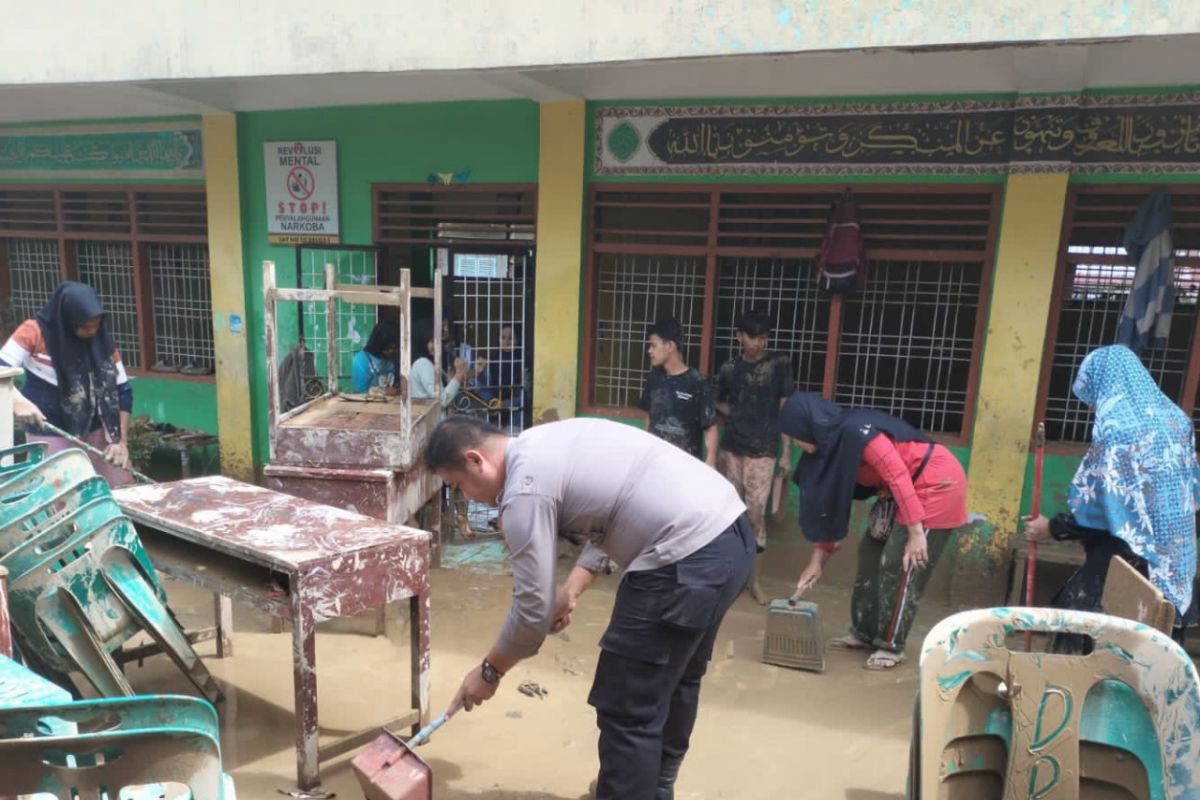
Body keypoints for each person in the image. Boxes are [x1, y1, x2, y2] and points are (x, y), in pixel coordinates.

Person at [424, 415, 754, 800]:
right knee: (675, 679)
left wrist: (489, 671)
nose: (468, 496)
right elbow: (617, 507)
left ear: (476, 459)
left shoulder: (522, 491)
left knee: (627, 706)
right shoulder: (547, 441)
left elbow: (531, 613)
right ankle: (653, 788)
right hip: (730, 539)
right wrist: (572, 590)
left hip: (683, 560)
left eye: (459, 485)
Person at [1023, 344, 1199, 649]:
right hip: (1176, 562)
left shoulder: (1116, 430)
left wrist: (1050, 528)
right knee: (1159, 652)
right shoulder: (1177, 422)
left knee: (1086, 634)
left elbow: (1099, 511)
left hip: (1129, 562)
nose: (1092, 406)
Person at [784, 393, 967, 670]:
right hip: (895, 494)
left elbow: (897, 474)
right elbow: (830, 506)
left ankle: (892, 646)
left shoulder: (857, 432)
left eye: (795, 436)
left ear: (808, 426)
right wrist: (816, 562)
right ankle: (864, 632)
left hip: (935, 485)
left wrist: (916, 534)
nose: (795, 443)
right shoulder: (826, 451)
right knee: (869, 551)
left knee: (899, 563)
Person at [0, 282, 134, 487]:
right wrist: (17, 401)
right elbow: (2, 369)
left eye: (96, 325)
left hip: (97, 429)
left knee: (117, 490)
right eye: (85, 326)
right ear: (68, 320)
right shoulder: (33, 332)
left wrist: (120, 442)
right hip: (49, 429)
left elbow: (123, 391)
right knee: (63, 494)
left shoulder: (102, 340)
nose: (92, 331)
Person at [714, 310, 792, 604]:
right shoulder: (729, 369)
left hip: (764, 452)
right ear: (739, 336)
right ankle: (728, 577)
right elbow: (716, 402)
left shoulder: (778, 366)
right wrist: (734, 417)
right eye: (752, 337)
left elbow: (786, 411)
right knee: (728, 513)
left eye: (763, 337)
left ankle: (754, 581)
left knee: (755, 513)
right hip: (732, 448)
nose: (758, 343)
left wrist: (785, 454)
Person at [638, 317, 717, 467]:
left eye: (653, 346)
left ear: (669, 346)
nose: (649, 351)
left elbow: (710, 427)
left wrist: (711, 459)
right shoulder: (654, 378)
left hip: (686, 465)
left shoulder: (697, 382)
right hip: (656, 462)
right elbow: (648, 417)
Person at [477, 323, 525, 431]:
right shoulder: (493, 358)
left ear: (518, 339)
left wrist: (505, 404)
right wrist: (479, 373)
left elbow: (525, 395)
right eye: (503, 337)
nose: (506, 342)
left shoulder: (523, 361)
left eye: (511, 338)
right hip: (493, 414)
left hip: (515, 415)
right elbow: (482, 389)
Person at [412, 320, 465, 409]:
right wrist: (459, 374)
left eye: (437, 340)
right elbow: (442, 400)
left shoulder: (428, 362)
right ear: (422, 341)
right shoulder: (423, 363)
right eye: (431, 341)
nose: (436, 345)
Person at [350, 320, 400, 394]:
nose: (394, 351)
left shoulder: (392, 360)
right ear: (380, 344)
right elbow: (359, 394)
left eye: (396, 347)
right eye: (390, 348)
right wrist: (382, 392)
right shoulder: (361, 361)